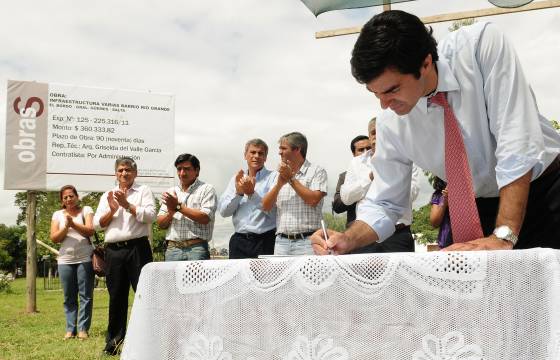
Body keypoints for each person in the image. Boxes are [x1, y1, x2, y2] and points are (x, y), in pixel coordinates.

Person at [312, 10, 560, 255]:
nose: (384, 104)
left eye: (392, 89)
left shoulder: (480, 46)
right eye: (375, 93)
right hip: (479, 207)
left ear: (426, 63)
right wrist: (347, 239)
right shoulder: (390, 121)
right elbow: (385, 202)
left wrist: (504, 234)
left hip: (548, 190)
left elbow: (516, 144)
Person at [94, 157, 155, 355]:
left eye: (128, 170)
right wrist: (112, 210)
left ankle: (147, 340)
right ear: (115, 173)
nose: (124, 173)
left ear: (135, 173)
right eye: (120, 170)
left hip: (138, 248)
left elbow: (151, 216)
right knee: (116, 297)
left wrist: (127, 205)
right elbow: (97, 224)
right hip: (114, 251)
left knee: (144, 296)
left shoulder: (143, 191)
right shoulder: (107, 195)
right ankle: (114, 344)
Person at [341, 117, 419, 253]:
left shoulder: (407, 158)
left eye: (382, 131)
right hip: (365, 236)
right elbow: (346, 197)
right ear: (369, 136)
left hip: (398, 235)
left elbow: (411, 194)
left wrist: (386, 167)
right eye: (373, 132)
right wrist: (369, 177)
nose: (377, 136)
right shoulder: (356, 163)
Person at [262, 132, 328, 255]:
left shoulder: (317, 171)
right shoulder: (277, 174)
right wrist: (279, 185)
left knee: (309, 275)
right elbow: (265, 206)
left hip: (309, 241)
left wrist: (291, 179)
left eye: (283, 148)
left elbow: (313, 200)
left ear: (297, 149)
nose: (279, 152)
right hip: (281, 243)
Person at [50, 185, 95, 341]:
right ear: (62, 201)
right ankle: (70, 329)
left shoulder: (86, 210)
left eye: (71, 196)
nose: (68, 199)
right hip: (65, 260)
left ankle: (83, 329)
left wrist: (73, 224)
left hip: (85, 258)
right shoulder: (57, 215)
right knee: (69, 296)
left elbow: (90, 230)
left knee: (86, 295)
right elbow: (55, 238)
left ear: (77, 197)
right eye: (65, 197)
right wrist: (67, 226)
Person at [218, 139, 277, 258]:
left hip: (265, 241)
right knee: (237, 277)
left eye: (261, 153)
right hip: (239, 241)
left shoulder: (274, 177)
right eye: (253, 152)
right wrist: (238, 194)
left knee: (264, 277)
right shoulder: (236, 178)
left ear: (265, 157)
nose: (256, 156)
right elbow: (224, 212)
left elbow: (272, 211)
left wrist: (251, 194)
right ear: (245, 155)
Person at [157, 153, 217, 261]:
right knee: (172, 278)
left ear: (197, 171)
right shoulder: (171, 192)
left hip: (196, 249)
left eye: (187, 169)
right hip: (172, 249)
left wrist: (178, 207)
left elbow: (205, 217)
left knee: (196, 278)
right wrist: (171, 213)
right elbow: (161, 224)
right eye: (179, 169)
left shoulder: (207, 189)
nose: (182, 173)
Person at [332, 135, 370, 227]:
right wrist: (356, 192)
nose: (366, 152)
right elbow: (337, 206)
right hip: (356, 231)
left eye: (369, 148)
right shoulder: (345, 177)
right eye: (361, 150)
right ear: (354, 154)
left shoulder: (383, 172)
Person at [430, 177, 453, 249]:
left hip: (470, 242)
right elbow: (434, 222)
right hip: (447, 244)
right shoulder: (439, 194)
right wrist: (444, 200)